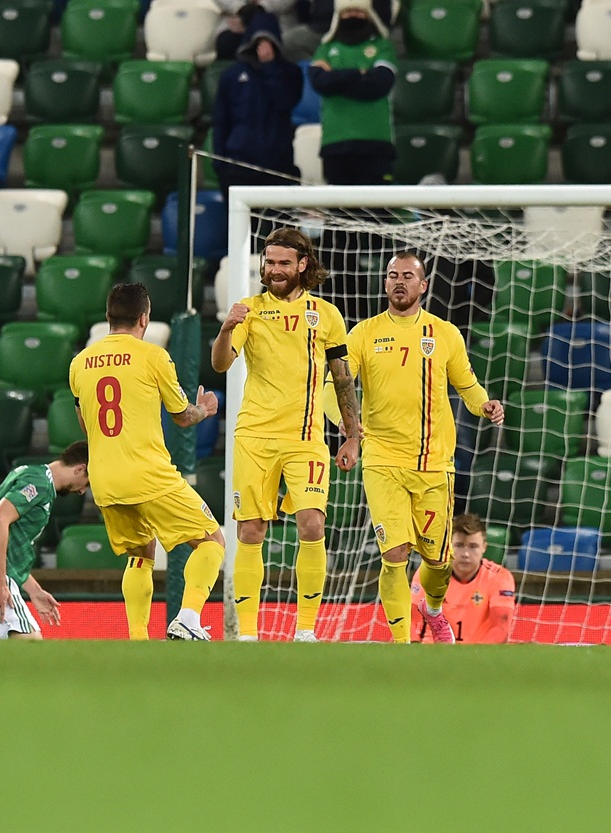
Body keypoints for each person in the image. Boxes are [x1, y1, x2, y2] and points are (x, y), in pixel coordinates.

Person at [325, 252, 505, 644]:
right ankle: (402, 643)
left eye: (408, 276)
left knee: (438, 563)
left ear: (423, 286)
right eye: (393, 276)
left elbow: (467, 386)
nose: (399, 281)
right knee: (394, 553)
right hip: (382, 460)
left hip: (434, 464)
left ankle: (433, 608)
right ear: (385, 284)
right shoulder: (363, 334)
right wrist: (345, 422)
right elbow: (332, 386)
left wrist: (485, 404)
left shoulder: (445, 334)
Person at [211, 227, 361, 642]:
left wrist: (353, 434)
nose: (274, 270)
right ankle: (247, 635)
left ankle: (307, 631)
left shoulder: (326, 315)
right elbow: (221, 365)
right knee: (251, 531)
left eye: (282, 263)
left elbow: (343, 379)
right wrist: (226, 329)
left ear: (303, 265)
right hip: (254, 438)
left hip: (306, 439)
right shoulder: (249, 309)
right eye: (269, 262)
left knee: (312, 524)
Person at [68, 283, 225, 641]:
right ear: (144, 318)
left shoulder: (80, 363)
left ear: (108, 318)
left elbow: (85, 421)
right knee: (211, 540)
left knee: (140, 555)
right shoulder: (153, 356)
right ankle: (187, 617)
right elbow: (182, 417)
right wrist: (205, 409)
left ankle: (138, 639)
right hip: (148, 474)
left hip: (105, 480)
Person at [0, 442, 91, 639]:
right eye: (87, 483)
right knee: (32, 647)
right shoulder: (39, 484)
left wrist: (34, 590)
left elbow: (10, 547)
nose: (82, 491)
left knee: (14, 661)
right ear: (80, 469)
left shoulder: (31, 473)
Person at [213, 11, 305, 196]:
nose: (263, 47)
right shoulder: (231, 76)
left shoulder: (291, 73)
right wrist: (220, 163)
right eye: (258, 41)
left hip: (278, 166)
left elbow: (285, 101)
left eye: (268, 41)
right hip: (238, 166)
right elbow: (221, 121)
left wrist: (270, 67)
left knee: (276, 225)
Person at [309, 0, 396, 185]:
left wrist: (336, 78)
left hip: (375, 143)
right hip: (335, 144)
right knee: (339, 213)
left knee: (377, 212)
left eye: (358, 11)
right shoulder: (325, 48)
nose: (353, 16)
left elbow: (379, 85)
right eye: (347, 12)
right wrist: (360, 73)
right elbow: (320, 82)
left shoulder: (383, 46)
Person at [410, 513, 515, 644]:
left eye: (473, 546)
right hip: (432, 653)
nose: (465, 554)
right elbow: (410, 620)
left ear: (484, 547)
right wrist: (414, 649)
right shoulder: (430, 573)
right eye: (459, 545)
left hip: (478, 656)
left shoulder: (500, 577)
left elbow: (500, 628)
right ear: (449, 546)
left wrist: (474, 658)